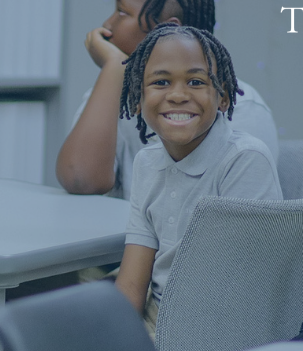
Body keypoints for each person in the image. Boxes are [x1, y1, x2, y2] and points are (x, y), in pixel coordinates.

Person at [113, 23, 282, 334]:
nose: (178, 95)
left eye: (195, 81)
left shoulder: (243, 161)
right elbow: (133, 281)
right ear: (137, 98)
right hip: (160, 313)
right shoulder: (146, 162)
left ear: (224, 98)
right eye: (161, 82)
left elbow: (240, 293)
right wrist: (115, 336)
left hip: (220, 328)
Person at [57, 0, 278, 197]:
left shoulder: (241, 107)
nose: (107, 25)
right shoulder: (113, 91)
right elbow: (80, 180)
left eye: (122, 12)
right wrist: (114, 68)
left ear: (167, 29)